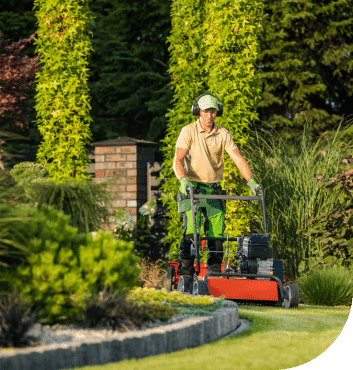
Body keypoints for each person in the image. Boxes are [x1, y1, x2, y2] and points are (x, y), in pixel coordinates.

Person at [173, 93, 261, 278]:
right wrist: (183, 180)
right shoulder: (188, 131)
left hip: (214, 191)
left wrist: (251, 181)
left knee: (216, 237)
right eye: (205, 111)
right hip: (192, 190)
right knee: (191, 234)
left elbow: (237, 158)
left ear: (217, 112)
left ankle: (213, 275)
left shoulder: (223, 133)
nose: (209, 116)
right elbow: (177, 160)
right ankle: (186, 275)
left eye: (212, 111)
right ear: (198, 112)